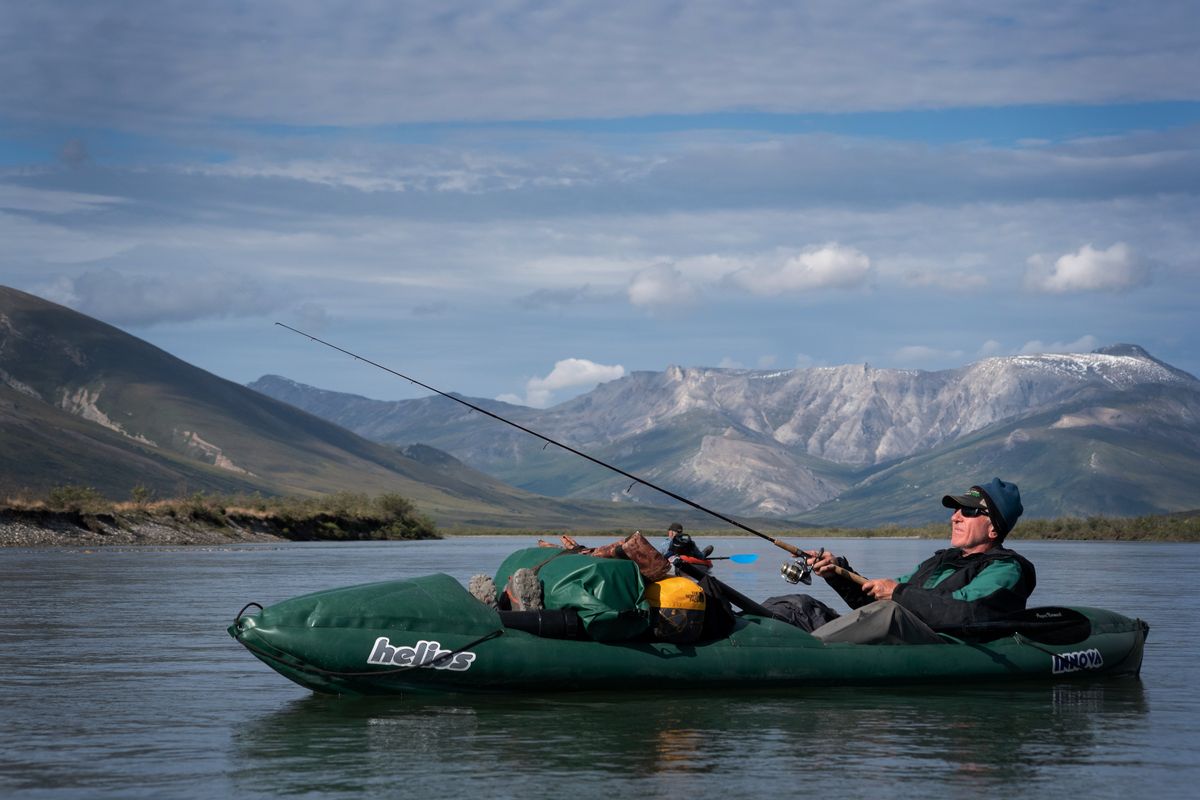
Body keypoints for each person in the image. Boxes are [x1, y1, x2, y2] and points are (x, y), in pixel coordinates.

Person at [772, 477, 1036, 645]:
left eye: (968, 511)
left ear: (994, 528)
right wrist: (837, 572)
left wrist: (898, 593)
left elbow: (967, 612)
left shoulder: (1006, 568)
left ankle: (809, 650)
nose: (954, 517)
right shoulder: (941, 561)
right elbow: (877, 599)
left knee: (891, 613)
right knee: (798, 605)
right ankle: (741, 636)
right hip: (895, 631)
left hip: (943, 645)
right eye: (955, 510)